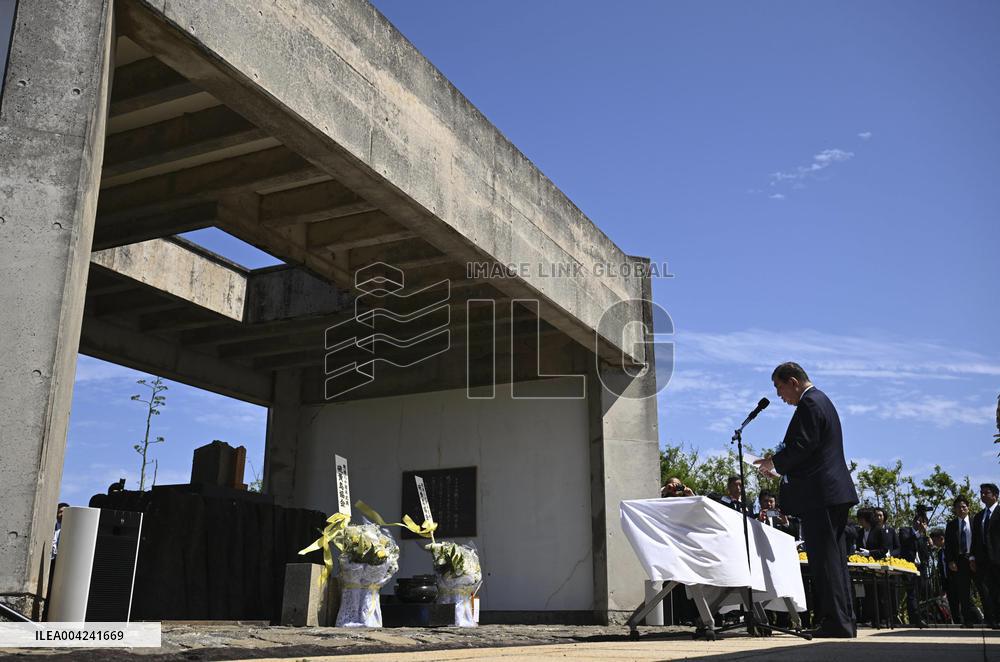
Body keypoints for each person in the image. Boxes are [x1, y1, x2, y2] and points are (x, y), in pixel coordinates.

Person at [754, 362, 858, 638]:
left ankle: (836, 622)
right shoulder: (821, 401)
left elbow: (802, 446)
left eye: (779, 387)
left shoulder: (810, 404)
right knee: (833, 560)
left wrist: (772, 464)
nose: (779, 395)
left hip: (821, 495)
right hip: (830, 493)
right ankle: (843, 621)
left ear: (793, 381)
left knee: (825, 562)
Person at [945, 496, 978, 626]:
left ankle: (992, 618)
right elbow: (948, 545)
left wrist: (975, 558)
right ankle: (968, 621)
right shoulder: (951, 525)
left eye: (964, 506)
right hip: (959, 562)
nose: (961, 509)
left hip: (975, 559)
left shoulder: (975, 522)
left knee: (984, 589)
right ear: (955, 510)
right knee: (963, 593)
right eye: (958, 507)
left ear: (968, 508)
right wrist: (950, 561)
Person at [971, 483, 1000, 628]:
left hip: (997, 558)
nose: (983, 495)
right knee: (985, 590)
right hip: (982, 560)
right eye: (981, 493)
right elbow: (975, 539)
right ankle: (990, 618)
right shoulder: (978, 517)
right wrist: (972, 557)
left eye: (986, 493)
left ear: (995, 495)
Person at [897, 511, 931, 627]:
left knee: (919, 593)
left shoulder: (924, 536)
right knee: (911, 593)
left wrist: (928, 542)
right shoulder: (905, 531)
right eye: (918, 520)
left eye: (923, 522)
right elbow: (906, 542)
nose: (920, 523)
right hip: (909, 567)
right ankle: (915, 619)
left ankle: (918, 618)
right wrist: (918, 533)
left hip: (921, 568)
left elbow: (925, 555)